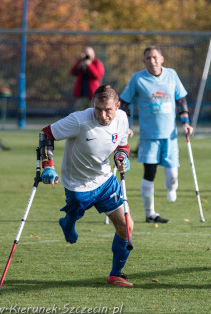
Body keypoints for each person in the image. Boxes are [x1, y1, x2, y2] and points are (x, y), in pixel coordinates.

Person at [39, 84, 134, 287]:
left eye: (108, 110)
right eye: (98, 109)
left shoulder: (123, 118)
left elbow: (122, 145)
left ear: (117, 106)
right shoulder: (79, 120)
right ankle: (68, 222)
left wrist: (122, 157)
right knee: (74, 214)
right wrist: (47, 166)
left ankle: (116, 273)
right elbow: (46, 134)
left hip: (105, 180)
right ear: (92, 104)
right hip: (77, 184)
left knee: (126, 225)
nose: (102, 114)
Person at [119, 46, 193, 223]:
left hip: (170, 135)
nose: (151, 61)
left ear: (161, 58)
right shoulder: (138, 79)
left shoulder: (172, 75)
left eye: (154, 57)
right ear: (144, 61)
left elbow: (180, 99)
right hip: (149, 136)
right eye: (147, 58)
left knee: (172, 177)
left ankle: (171, 189)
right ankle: (150, 213)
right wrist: (126, 125)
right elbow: (124, 102)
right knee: (149, 173)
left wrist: (185, 122)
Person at [70, 47, 105, 111]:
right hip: (81, 94)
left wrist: (89, 65)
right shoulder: (81, 62)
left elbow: (98, 75)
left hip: (92, 94)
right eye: (85, 54)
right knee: (79, 112)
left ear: (93, 55)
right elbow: (72, 72)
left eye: (88, 55)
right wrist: (79, 64)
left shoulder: (97, 63)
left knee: (92, 113)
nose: (87, 57)